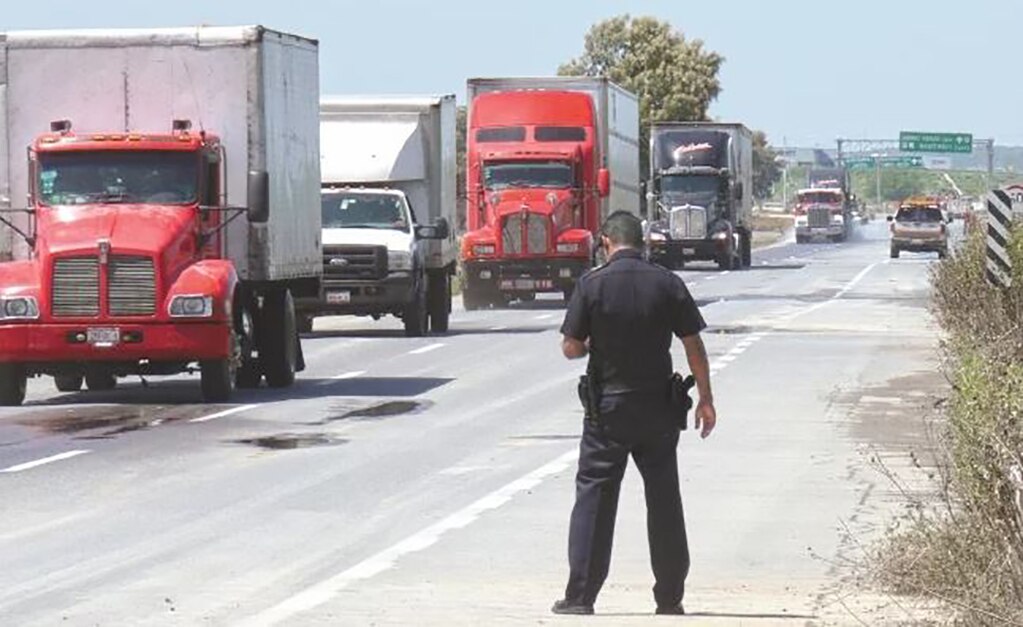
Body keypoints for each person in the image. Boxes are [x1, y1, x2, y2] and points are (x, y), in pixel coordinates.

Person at [552, 210, 716, 616]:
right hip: (658, 410)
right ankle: (670, 598)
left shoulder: (592, 285)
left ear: (606, 241)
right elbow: (693, 344)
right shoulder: (667, 283)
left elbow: (570, 347)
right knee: (664, 501)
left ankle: (581, 597)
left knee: (595, 496)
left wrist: (590, 345)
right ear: (640, 241)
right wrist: (708, 400)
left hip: (608, 412)